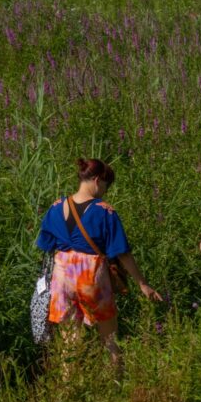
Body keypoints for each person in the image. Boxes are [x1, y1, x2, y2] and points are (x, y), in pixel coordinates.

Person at [37, 158, 161, 368]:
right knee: (109, 337)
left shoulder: (56, 207)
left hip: (61, 275)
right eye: (105, 185)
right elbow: (122, 253)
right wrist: (142, 283)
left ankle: (70, 388)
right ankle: (116, 381)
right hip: (90, 275)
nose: (105, 191)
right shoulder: (105, 211)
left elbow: (45, 244)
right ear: (96, 180)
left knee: (69, 340)